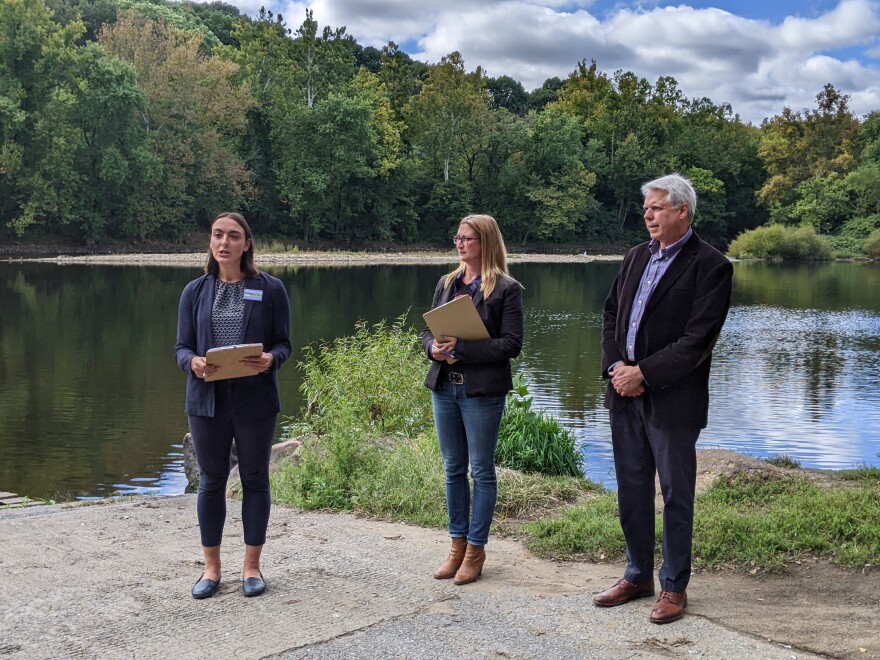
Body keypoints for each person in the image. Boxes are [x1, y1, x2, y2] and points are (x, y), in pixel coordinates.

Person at [594, 174, 733, 623]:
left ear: (681, 211)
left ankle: (674, 586)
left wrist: (644, 374)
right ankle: (636, 575)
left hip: (673, 400)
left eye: (656, 208)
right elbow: (611, 313)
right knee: (632, 490)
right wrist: (617, 367)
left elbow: (697, 341)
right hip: (624, 393)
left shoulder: (710, 265)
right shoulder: (636, 256)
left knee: (675, 494)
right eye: (647, 208)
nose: (648, 215)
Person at [175, 212, 291, 599]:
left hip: (255, 400)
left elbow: (283, 344)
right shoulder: (194, 291)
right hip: (207, 400)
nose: (224, 242)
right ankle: (211, 570)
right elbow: (181, 348)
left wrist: (271, 360)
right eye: (217, 235)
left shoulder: (270, 289)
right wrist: (192, 361)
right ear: (210, 242)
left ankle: (252, 567)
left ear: (247, 244)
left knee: (256, 480)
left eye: (234, 236)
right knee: (211, 481)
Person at [421, 214, 524, 585]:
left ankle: (476, 550)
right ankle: (456, 545)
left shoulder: (506, 289)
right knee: (452, 469)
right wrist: (433, 346)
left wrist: (463, 347)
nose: (460, 244)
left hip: (482, 391)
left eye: (467, 239)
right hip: (445, 386)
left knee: (481, 471)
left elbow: (512, 344)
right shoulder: (446, 283)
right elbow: (426, 331)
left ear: (485, 242)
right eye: (457, 238)